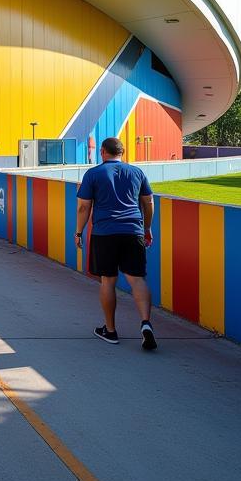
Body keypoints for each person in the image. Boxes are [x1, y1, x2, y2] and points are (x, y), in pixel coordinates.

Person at [75, 137, 157, 350]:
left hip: (105, 233)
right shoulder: (137, 172)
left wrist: (78, 232)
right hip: (133, 232)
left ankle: (110, 331)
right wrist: (147, 228)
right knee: (137, 279)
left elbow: (84, 207)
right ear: (122, 152)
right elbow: (148, 202)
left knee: (108, 281)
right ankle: (146, 324)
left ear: (102, 151)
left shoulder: (93, 174)